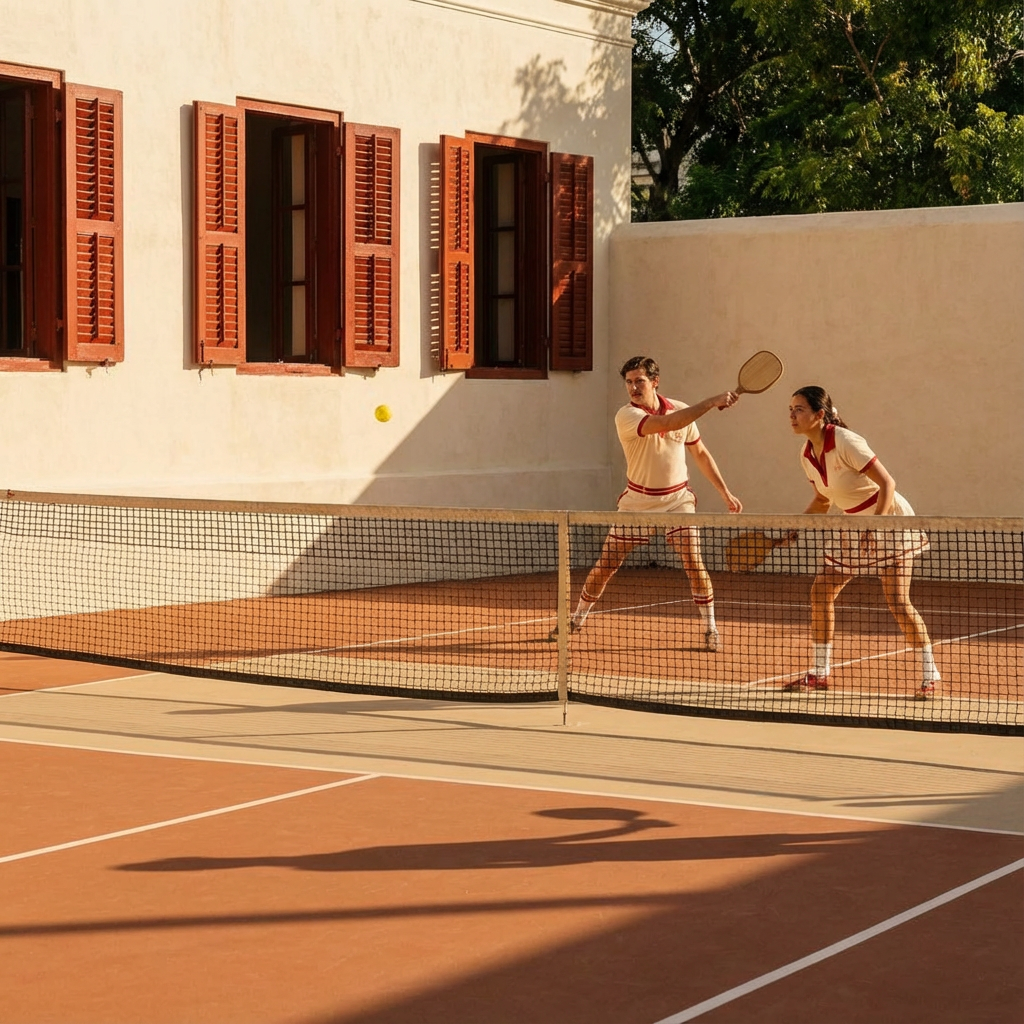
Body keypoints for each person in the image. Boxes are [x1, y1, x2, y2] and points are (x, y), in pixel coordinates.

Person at [554, 356, 742, 651]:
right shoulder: (626, 415)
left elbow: (701, 454)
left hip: (678, 500)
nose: (633, 387)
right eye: (628, 382)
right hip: (637, 503)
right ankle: (576, 619)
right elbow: (668, 423)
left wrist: (725, 492)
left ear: (655, 381)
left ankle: (710, 628)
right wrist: (710, 402)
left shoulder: (681, 409)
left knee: (693, 562)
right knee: (607, 565)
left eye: (639, 381)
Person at [784, 386, 939, 698]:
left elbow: (887, 483)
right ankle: (819, 672)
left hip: (888, 518)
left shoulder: (846, 441)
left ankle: (930, 675)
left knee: (897, 601)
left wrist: (876, 524)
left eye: (799, 409)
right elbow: (822, 499)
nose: (792, 415)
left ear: (819, 415)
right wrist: (797, 524)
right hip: (854, 524)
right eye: (790, 409)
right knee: (821, 592)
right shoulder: (806, 455)